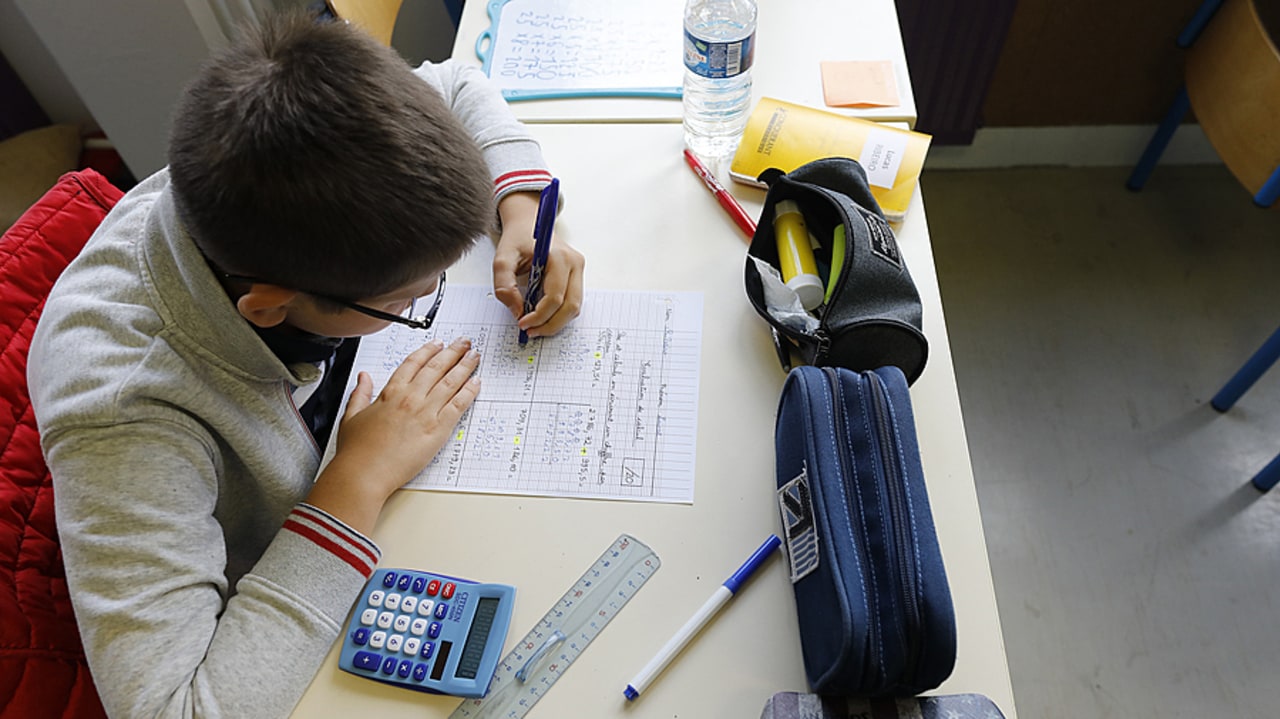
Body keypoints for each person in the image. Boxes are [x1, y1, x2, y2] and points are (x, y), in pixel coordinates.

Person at [28, 10, 583, 719]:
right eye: (407, 301)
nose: (424, 307)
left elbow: (454, 80)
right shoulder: (125, 413)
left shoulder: (262, 167)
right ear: (268, 308)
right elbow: (175, 708)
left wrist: (523, 208)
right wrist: (357, 477)